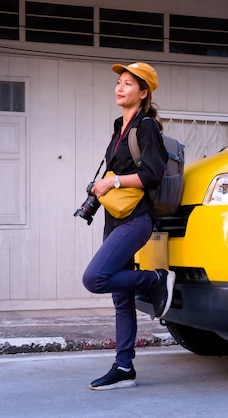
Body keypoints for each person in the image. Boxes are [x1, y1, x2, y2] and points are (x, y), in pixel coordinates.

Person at [82, 62, 175, 391]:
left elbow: (152, 174)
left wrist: (114, 183)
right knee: (121, 299)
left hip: (137, 219)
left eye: (128, 83)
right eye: (118, 82)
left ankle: (155, 279)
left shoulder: (146, 127)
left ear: (144, 92)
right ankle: (124, 368)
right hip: (114, 218)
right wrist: (101, 187)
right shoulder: (119, 126)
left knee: (95, 278)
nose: (119, 88)